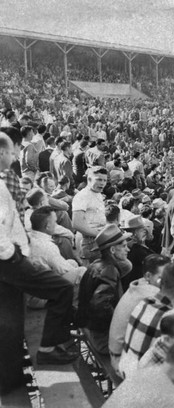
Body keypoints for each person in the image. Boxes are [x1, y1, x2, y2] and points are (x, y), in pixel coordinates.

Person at [0, 133, 76, 384]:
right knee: (62, 288)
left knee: (10, 312)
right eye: (11, 152)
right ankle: (47, 349)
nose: (14, 157)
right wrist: (12, 255)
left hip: (10, 256)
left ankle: (9, 371)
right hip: (7, 259)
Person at [119, 263, 174, 377]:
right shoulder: (172, 318)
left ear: (160, 282)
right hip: (141, 382)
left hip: (126, 368)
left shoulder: (145, 301)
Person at [108, 254, 169, 374]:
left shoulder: (140, 285)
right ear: (148, 276)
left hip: (117, 352)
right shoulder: (150, 296)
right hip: (120, 361)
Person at [76, 224, 132, 354]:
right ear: (112, 250)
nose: (127, 250)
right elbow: (100, 306)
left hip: (92, 329)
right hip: (103, 339)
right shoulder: (109, 270)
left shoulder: (97, 264)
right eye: (123, 246)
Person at [72, 166, 108, 264]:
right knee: (94, 273)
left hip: (99, 239)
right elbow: (77, 224)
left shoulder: (97, 193)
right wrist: (99, 234)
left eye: (105, 180)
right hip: (89, 241)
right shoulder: (82, 196)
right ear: (89, 179)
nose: (102, 183)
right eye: (99, 179)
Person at [121, 215, 155, 292]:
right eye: (142, 230)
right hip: (136, 286)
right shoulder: (133, 247)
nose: (144, 232)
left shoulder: (138, 245)